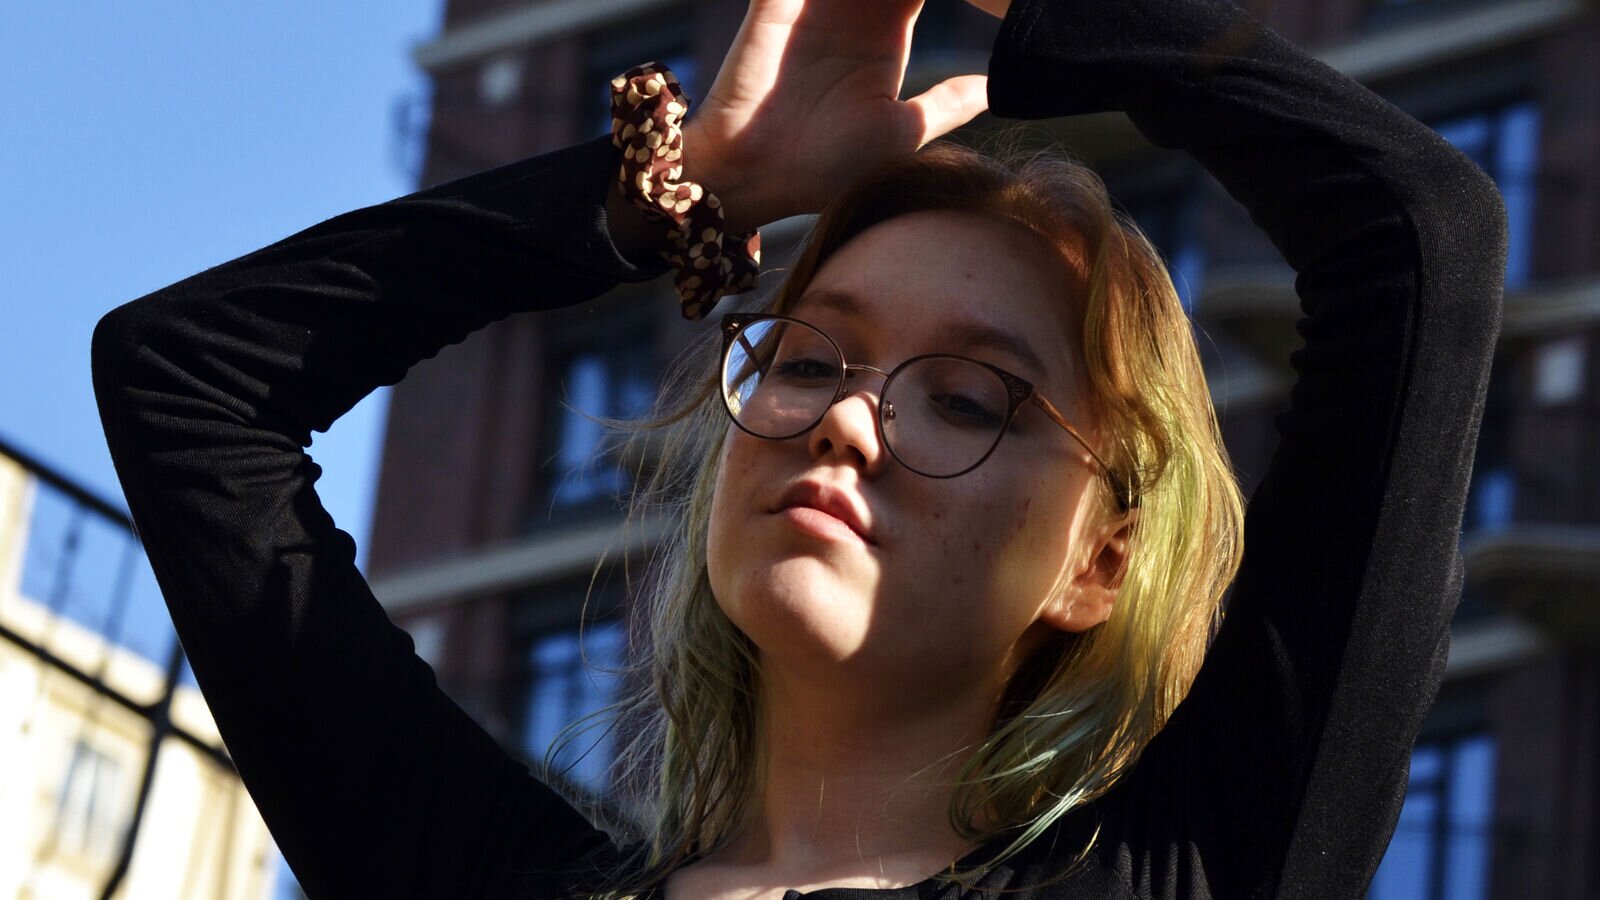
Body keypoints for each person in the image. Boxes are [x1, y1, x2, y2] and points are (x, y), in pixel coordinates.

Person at [91, 0, 1505, 897]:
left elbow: (1421, 232)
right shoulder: (492, 878)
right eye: (814, 359)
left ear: (1103, 561)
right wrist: (678, 195)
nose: (842, 416)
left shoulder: (1192, 867)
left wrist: (1052, 15)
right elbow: (187, 381)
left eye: (970, 399)